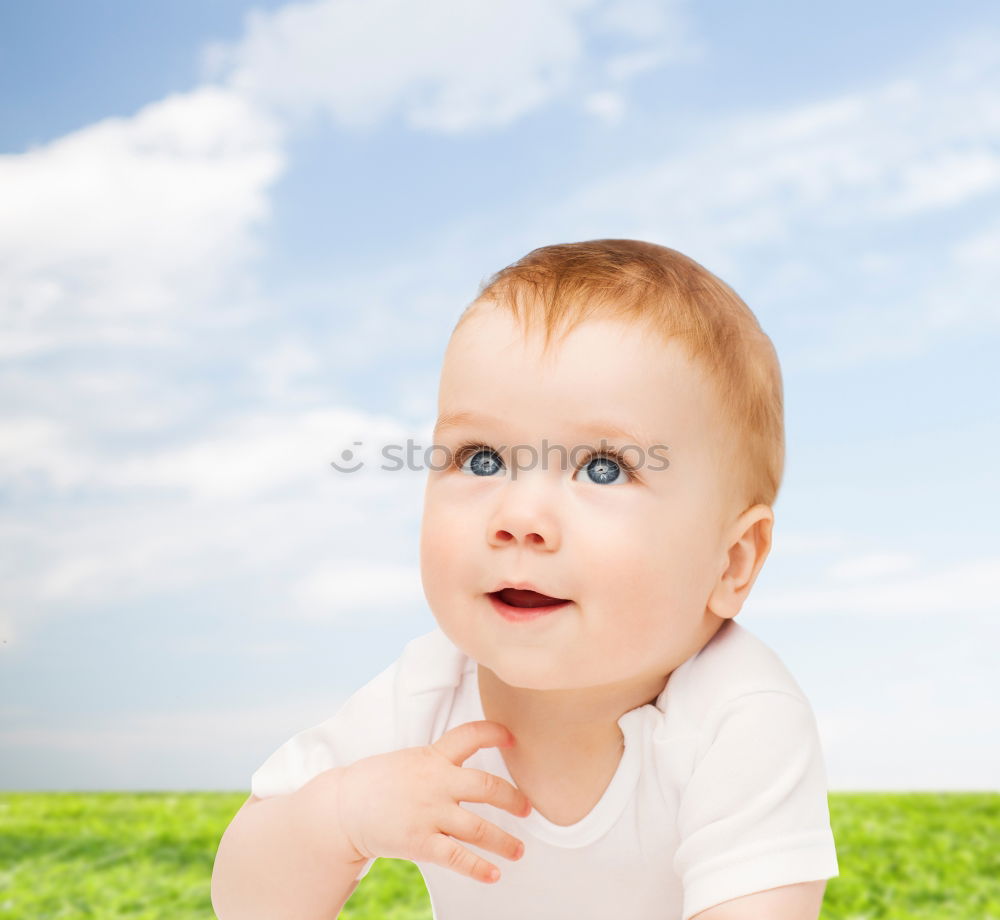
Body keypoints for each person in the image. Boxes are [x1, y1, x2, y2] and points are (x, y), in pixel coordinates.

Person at [211, 239, 839, 920]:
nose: (518, 517)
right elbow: (247, 904)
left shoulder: (739, 718)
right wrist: (340, 816)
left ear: (733, 561)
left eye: (603, 468)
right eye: (481, 460)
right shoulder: (428, 691)